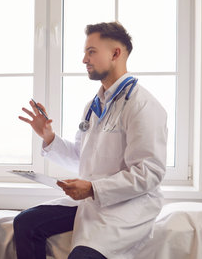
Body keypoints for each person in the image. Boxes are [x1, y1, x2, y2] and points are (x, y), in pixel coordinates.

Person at [14, 22, 168, 259]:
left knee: (83, 256)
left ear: (115, 53)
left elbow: (149, 173)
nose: (84, 59)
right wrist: (48, 136)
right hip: (93, 201)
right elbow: (83, 158)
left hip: (128, 205)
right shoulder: (94, 106)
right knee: (26, 223)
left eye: (91, 52)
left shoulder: (143, 105)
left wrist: (93, 188)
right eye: (85, 52)